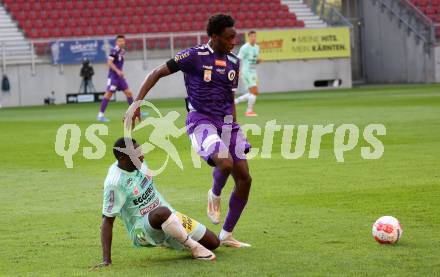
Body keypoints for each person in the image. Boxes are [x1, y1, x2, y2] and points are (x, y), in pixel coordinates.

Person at [127, 14, 252, 248]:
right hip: (201, 120)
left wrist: (234, 126)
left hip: (226, 122)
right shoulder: (193, 56)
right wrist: (137, 103)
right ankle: (214, 195)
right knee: (225, 164)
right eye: (228, 37)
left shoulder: (234, 61)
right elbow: (156, 73)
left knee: (245, 179)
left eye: (235, 36)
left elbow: (230, 97)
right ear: (214, 37)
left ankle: (226, 234)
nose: (234, 41)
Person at [94, 137, 219, 268]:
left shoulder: (137, 162)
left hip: (168, 216)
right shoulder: (115, 183)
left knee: (213, 242)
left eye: (140, 151)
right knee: (162, 212)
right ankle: (195, 248)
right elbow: (107, 220)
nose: (142, 156)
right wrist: (106, 260)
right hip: (142, 231)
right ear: (122, 158)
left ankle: (170, 236)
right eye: (136, 154)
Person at [97, 35, 134, 122]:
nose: (121, 42)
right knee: (109, 94)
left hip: (120, 78)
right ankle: (100, 115)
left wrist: (120, 72)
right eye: (119, 41)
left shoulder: (122, 51)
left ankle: (134, 112)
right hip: (113, 77)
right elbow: (109, 62)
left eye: (122, 41)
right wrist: (117, 71)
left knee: (129, 93)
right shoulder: (114, 51)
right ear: (116, 42)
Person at [234, 30, 261, 117]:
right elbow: (238, 59)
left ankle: (235, 102)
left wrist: (258, 61)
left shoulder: (257, 47)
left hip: (253, 72)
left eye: (254, 36)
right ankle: (249, 111)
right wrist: (237, 70)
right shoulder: (245, 48)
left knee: (254, 92)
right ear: (248, 37)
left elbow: (253, 60)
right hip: (246, 72)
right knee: (254, 92)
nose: (253, 38)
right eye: (251, 36)